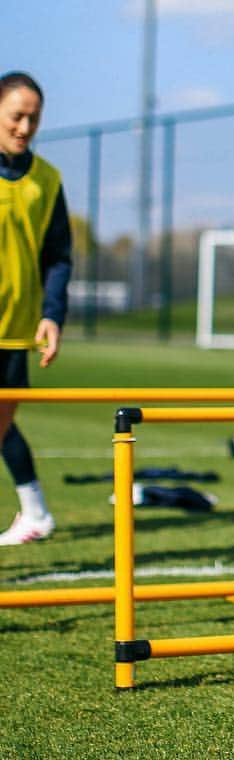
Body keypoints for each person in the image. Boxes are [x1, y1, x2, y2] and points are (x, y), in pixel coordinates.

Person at [0, 71, 72, 544]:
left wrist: (51, 314)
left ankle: (36, 512)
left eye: (34, 118)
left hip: (13, 331)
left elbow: (59, 257)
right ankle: (37, 511)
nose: (25, 127)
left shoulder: (46, 181)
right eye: (16, 116)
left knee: (1, 427)